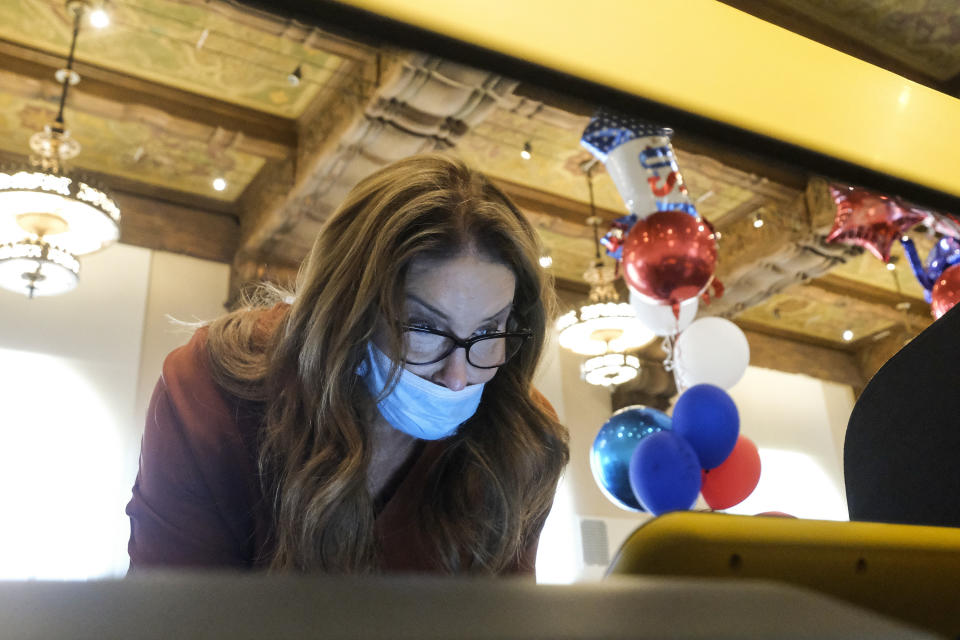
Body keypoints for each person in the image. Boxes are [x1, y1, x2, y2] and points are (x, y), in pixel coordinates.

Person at [125, 154, 570, 575]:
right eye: (424, 329)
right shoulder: (210, 394)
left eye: (489, 331)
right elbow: (168, 616)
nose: (457, 378)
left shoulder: (521, 437)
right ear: (348, 313)